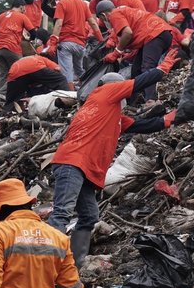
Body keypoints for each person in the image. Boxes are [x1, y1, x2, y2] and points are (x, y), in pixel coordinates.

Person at [47, 51, 180, 267]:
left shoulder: (110, 113)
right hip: (73, 162)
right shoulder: (104, 93)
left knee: (89, 216)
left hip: (83, 168)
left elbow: (139, 126)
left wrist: (168, 120)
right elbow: (139, 82)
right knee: (62, 213)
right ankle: (45, 265)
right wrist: (161, 70)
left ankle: (74, 266)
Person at [97, 0, 173, 104]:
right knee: (136, 70)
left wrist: (117, 52)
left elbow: (127, 33)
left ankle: (151, 101)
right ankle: (135, 100)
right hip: (158, 34)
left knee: (148, 67)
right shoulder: (123, 11)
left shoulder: (114, 14)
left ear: (103, 15)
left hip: (155, 34)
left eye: (101, 19)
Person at [45, 0, 103, 90]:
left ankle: (70, 97)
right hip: (80, 45)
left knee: (66, 73)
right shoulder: (82, 3)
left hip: (66, 43)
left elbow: (58, 24)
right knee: (80, 71)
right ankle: (87, 91)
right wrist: (101, 40)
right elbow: (94, 23)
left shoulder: (62, 3)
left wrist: (52, 43)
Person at [0, 0, 36, 101]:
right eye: (24, 8)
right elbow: (33, 33)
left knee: (2, 75)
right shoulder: (22, 16)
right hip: (12, 48)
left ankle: (1, 100)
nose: (25, 10)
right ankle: (4, 94)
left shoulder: (2, 15)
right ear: (21, 6)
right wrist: (29, 39)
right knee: (20, 72)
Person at [4, 55, 69, 111]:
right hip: (34, 66)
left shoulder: (32, 58)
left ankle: (6, 114)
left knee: (11, 101)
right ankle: (67, 103)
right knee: (61, 80)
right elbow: (58, 69)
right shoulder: (45, 60)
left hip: (14, 73)